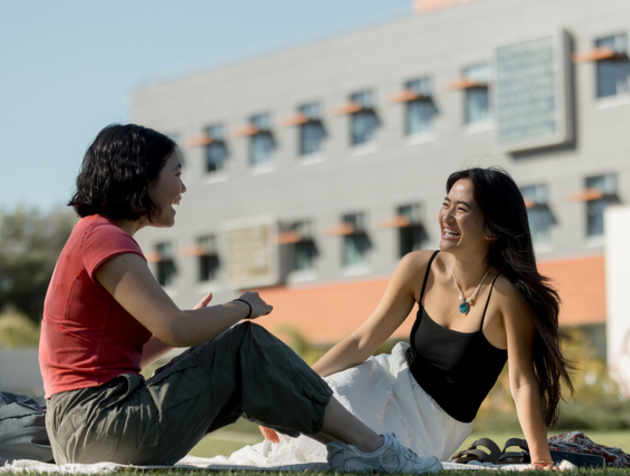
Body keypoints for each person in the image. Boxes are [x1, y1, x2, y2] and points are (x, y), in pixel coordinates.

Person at [38, 123, 441, 473]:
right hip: (98, 423)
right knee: (245, 343)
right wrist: (242, 307)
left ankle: (351, 447)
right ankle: (375, 449)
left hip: (86, 427)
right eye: (175, 174)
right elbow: (177, 328)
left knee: (234, 355)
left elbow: (129, 355)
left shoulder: (92, 235)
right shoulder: (104, 237)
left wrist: (197, 327)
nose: (181, 188)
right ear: (141, 177)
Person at [250, 167, 572, 471]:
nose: (446, 216)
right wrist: (294, 387)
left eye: (461, 209)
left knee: (347, 449)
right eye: (446, 204)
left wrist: (541, 460)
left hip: (430, 424)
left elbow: (521, 381)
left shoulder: (506, 297)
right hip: (384, 382)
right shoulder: (419, 267)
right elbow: (362, 341)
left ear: (492, 228)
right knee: (323, 406)